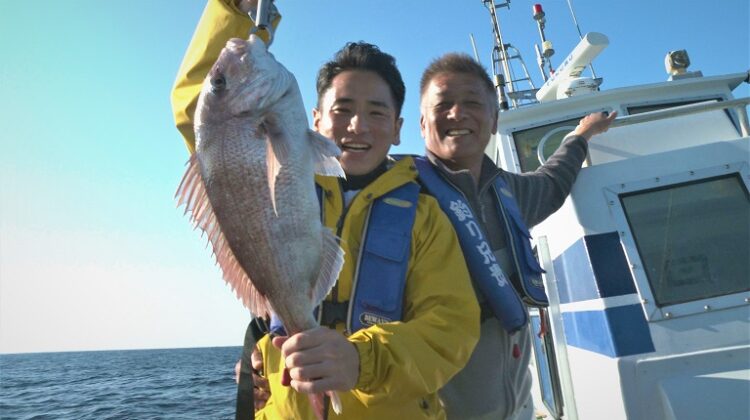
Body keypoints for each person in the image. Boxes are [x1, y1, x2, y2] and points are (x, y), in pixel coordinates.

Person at [170, 1, 480, 419]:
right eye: (342, 110)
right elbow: (202, 111)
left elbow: (452, 327)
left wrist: (361, 361)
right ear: (314, 120)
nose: (357, 126)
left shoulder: (425, 218)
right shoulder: (269, 165)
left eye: (376, 112)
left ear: (398, 128)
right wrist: (233, 10)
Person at [416, 53, 616, 420]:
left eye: (472, 103)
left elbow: (553, 183)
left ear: (493, 121)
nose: (458, 114)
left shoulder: (506, 191)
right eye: (443, 104)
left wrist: (581, 135)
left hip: (517, 405)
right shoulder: (399, 199)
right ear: (421, 123)